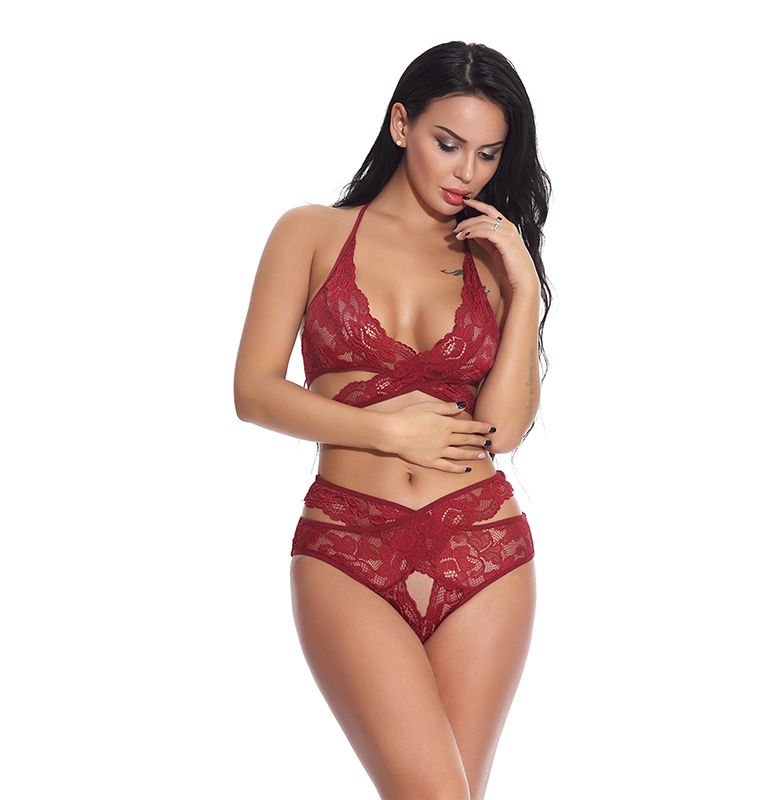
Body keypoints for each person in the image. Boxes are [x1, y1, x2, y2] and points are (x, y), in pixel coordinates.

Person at [234, 40, 552, 800]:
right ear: (402, 124)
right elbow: (253, 392)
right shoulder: (311, 233)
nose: (466, 172)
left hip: (482, 544)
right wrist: (386, 430)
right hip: (347, 544)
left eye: (487, 154)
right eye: (448, 143)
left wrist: (524, 287)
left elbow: (503, 431)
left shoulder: (492, 262)